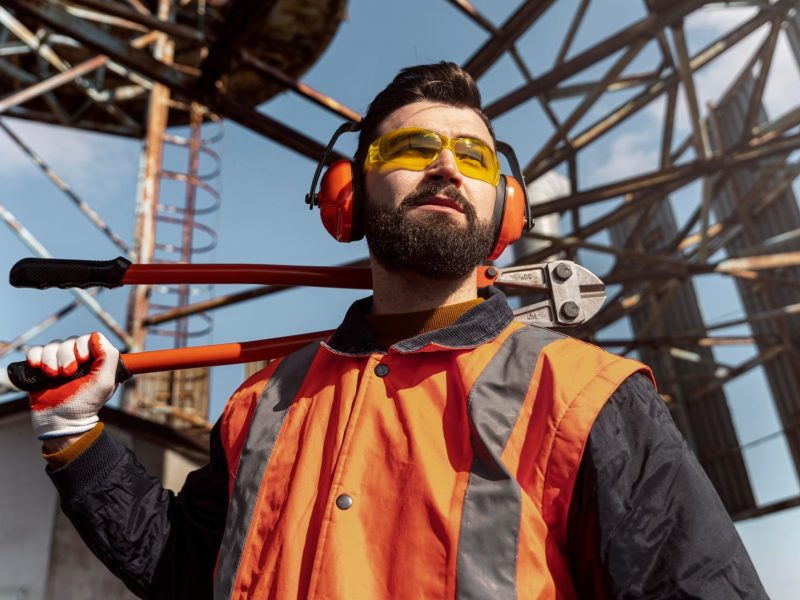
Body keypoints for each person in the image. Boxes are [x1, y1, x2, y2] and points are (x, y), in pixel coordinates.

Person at [26, 62, 766, 599]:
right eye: (411, 150)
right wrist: (73, 437)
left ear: (503, 209)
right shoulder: (261, 406)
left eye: (472, 156)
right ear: (347, 201)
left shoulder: (589, 398)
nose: (446, 165)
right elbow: (184, 573)